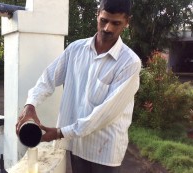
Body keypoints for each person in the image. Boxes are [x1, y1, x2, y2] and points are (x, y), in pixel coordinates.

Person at [16, 0, 141, 172]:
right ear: (97, 14)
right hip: (77, 145)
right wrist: (30, 104)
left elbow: (105, 114)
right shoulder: (75, 49)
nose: (108, 28)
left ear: (127, 22)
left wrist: (60, 133)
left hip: (104, 151)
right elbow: (48, 78)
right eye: (104, 20)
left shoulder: (129, 62)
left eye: (116, 23)